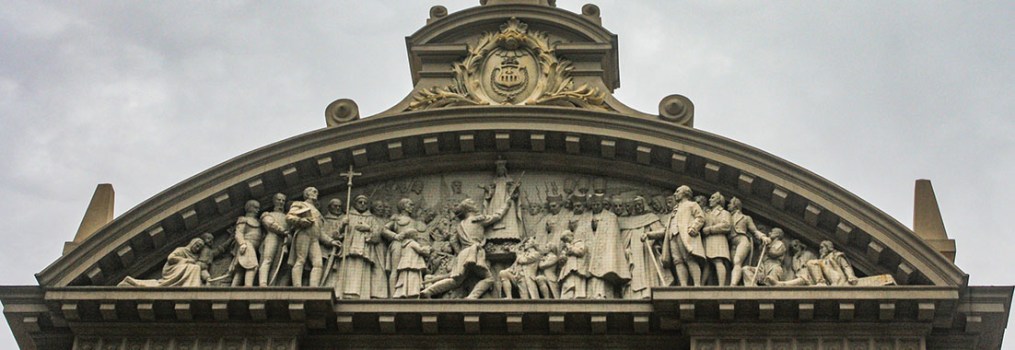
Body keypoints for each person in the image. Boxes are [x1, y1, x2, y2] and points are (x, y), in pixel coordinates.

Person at [420, 198, 510, 299]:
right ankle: (472, 297)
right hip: (474, 252)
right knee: (489, 279)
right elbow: (497, 216)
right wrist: (507, 202)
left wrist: (460, 253)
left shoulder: (460, 225)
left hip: (463, 254)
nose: (476, 206)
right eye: (474, 204)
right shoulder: (478, 219)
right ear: (470, 208)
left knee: (455, 281)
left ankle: (428, 291)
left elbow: (453, 240)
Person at [648, 185, 705, 287]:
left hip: (686, 236)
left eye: (677, 191)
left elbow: (700, 217)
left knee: (689, 259)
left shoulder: (692, 204)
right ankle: (683, 285)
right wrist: (649, 235)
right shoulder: (675, 210)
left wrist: (694, 228)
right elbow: (666, 230)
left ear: (685, 193)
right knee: (678, 261)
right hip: (672, 237)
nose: (675, 194)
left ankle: (697, 284)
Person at [335, 195, 390, 299]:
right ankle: (344, 292)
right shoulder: (348, 216)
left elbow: (378, 235)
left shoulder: (371, 218)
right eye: (360, 202)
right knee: (348, 269)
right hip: (349, 249)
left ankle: (363, 294)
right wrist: (342, 225)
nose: (362, 204)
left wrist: (368, 228)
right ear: (355, 204)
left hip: (365, 250)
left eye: (365, 203)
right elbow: (336, 234)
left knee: (363, 270)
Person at [623, 196, 673, 299]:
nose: (638, 207)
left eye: (640, 205)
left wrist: (650, 235)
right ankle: (633, 295)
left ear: (644, 205)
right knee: (635, 271)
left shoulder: (651, 217)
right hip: (634, 251)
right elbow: (624, 239)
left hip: (648, 251)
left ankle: (648, 293)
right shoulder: (628, 221)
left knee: (648, 273)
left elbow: (662, 232)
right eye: (635, 205)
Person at [584, 194, 630, 298]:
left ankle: (605, 295)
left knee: (603, 276)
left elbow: (613, 237)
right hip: (589, 249)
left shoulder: (611, 217)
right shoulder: (586, 216)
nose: (596, 206)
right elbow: (581, 232)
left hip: (604, 251)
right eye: (594, 204)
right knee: (592, 277)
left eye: (598, 204)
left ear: (602, 205)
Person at [119, 238, 206, 287]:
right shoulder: (182, 250)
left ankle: (190, 284)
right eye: (197, 245)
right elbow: (171, 258)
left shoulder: (195, 256)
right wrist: (186, 260)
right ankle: (190, 285)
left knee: (196, 267)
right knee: (195, 267)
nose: (197, 248)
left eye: (200, 248)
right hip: (172, 270)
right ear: (192, 243)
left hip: (183, 269)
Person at [727, 197, 770, 286]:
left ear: (736, 205)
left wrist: (763, 237)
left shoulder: (745, 218)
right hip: (731, 243)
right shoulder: (727, 216)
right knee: (734, 265)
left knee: (737, 261)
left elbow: (754, 231)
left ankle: (733, 285)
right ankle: (735, 282)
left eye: (730, 203)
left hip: (742, 240)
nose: (728, 205)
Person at [286, 187, 324, 287]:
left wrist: (331, 241)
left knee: (318, 263)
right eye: (314, 191)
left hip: (315, 239)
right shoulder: (299, 204)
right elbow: (289, 217)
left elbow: (321, 232)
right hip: (304, 233)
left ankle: (314, 287)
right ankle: (297, 285)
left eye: (317, 192)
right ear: (307, 194)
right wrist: (300, 221)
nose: (316, 193)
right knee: (300, 260)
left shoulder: (318, 212)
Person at [701, 192, 732, 286]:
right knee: (707, 263)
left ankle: (722, 286)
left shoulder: (724, 213)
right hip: (708, 240)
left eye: (712, 198)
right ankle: (701, 285)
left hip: (718, 240)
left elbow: (727, 225)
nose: (710, 200)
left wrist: (710, 229)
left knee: (718, 260)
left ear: (718, 200)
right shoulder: (708, 213)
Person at [258, 193, 290, 286]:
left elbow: (290, 231)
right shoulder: (267, 214)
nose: (281, 202)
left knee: (277, 265)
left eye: (283, 200)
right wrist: (283, 231)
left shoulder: (287, 217)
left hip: (282, 240)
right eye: (279, 200)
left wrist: (288, 237)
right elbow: (270, 224)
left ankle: (272, 284)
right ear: (274, 201)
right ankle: (263, 283)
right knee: (267, 259)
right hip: (272, 237)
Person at [231, 200, 263, 287]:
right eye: (255, 207)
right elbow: (239, 233)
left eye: (258, 208)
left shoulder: (258, 221)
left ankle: (232, 288)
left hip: (255, 248)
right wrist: (242, 244)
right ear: (249, 208)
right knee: (253, 266)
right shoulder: (243, 219)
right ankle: (248, 287)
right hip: (247, 245)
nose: (258, 210)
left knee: (241, 270)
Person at [392, 229, 431, 298]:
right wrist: (428, 249)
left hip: (405, 264)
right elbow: (420, 250)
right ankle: (412, 292)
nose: (417, 236)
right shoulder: (413, 243)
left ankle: (404, 292)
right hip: (412, 264)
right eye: (416, 235)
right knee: (413, 278)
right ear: (412, 236)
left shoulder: (405, 244)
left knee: (405, 279)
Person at [557, 226, 588, 299]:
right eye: (564, 240)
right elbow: (561, 262)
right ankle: (568, 298)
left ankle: (577, 298)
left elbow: (580, 252)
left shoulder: (579, 243)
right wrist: (562, 258)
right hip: (567, 269)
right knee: (567, 285)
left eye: (566, 239)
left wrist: (570, 247)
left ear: (571, 236)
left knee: (577, 285)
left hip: (577, 269)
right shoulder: (565, 247)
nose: (566, 241)